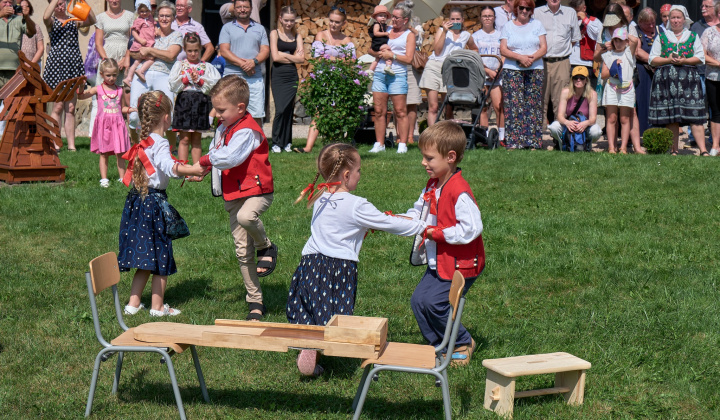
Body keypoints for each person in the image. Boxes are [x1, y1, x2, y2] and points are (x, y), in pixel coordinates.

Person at [287, 143, 427, 376]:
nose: (361, 175)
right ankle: (316, 350)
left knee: (312, 310)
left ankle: (309, 348)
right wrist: (423, 226)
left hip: (309, 264)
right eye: (359, 170)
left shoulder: (320, 196)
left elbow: (341, 225)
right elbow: (389, 223)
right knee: (334, 318)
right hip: (336, 268)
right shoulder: (356, 205)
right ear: (346, 175)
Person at [404, 121, 485, 366]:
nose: (423, 163)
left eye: (429, 158)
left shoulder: (458, 191)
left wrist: (440, 234)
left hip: (460, 264)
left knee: (435, 303)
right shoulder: (433, 184)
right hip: (439, 262)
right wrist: (392, 220)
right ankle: (438, 344)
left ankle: (462, 342)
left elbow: (472, 228)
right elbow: (418, 212)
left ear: (450, 157)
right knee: (419, 301)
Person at [198, 75, 277, 321]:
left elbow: (231, 157)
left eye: (221, 109)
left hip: (256, 191)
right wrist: (202, 171)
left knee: (246, 216)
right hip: (234, 193)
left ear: (240, 107)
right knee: (242, 251)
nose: (216, 113)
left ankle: (266, 246)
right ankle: (255, 301)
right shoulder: (223, 128)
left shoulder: (247, 131)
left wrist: (205, 161)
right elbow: (216, 154)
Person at [119, 90, 204, 317]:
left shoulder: (143, 140)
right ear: (166, 116)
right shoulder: (161, 143)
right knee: (161, 254)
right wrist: (193, 168)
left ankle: (133, 304)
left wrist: (184, 173)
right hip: (154, 204)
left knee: (144, 254)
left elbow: (162, 167)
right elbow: (168, 166)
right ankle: (157, 308)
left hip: (137, 201)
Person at [293, 6, 355, 154]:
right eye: (332, 21)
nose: (333, 24)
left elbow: (351, 62)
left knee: (338, 112)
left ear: (343, 23)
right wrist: (339, 59)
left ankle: (335, 145)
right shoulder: (321, 35)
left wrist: (330, 58)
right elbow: (317, 57)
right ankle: (308, 147)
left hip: (340, 81)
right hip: (324, 80)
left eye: (337, 22)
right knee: (319, 112)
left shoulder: (347, 39)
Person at [649, 5, 708, 156]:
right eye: (673, 17)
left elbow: (700, 57)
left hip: (689, 81)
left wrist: (685, 60)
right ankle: (674, 150)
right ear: (669, 19)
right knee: (672, 116)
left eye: (678, 17)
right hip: (666, 81)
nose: (675, 20)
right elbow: (652, 59)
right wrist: (667, 59)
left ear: (684, 19)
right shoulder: (662, 37)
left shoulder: (692, 36)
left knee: (695, 115)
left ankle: (703, 150)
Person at [43, 0, 95, 152]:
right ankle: (56, 143)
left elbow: (92, 20)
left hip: (73, 66)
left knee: (71, 107)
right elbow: (46, 17)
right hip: (57, 67)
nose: (60, 6)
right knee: (58, 106)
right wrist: (54, 1)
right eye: (57, 4)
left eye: (62, 3)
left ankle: (71, 146)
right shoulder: (51, 21)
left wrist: (83, 3)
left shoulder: (73, 20)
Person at [128, 1, 182, 135]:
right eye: (162, 15)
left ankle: (170, 149)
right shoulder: (149, 29)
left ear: (173, 18)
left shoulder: (176, 35)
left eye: (168, 16)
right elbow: (134, 52)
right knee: (134, 114)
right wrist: (144, 50)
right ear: (157, 16)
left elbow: (170, 55)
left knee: (168, 113)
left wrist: (150, 51)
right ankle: (135, 148)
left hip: (164, 74)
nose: (164, 18)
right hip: (142, 74)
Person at [77, 59, 134, 187]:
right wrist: (81, 85)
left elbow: (122, 108)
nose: (112, 78)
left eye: (114, 75)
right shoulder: (97, 89)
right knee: (104, 153)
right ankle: (104, 179)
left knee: (120, 153)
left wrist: (131, 109)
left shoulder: (120, 90)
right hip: (104, 126)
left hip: (118, 125)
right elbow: (81, 96)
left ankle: (122, 178)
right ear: (102, 74)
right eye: (108, 75)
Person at [368, 3, 415, 154]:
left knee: (400, 111)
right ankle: (379, 144)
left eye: (396, 17)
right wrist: (379, 54)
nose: (392, 19)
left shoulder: (409, 35)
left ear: (405, 19)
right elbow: (370, 48)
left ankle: (402, 144)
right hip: (380, 74)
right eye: (392, 16)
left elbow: (409, 59)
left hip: (398, 75)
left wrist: (392, 56)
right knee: (379, 111)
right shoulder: (384, 30)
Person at [500, 0, 547, 149]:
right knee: (514, 105)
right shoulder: (507, 26)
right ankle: (515, 141)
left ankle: (533, 141)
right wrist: (520, 58)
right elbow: (503, 49)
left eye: (528, 8)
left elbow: (544, 47)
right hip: (512, 70)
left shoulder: (537, 25)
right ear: (516, 9)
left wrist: (531, 59)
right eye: (522, 8)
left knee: (532, 105)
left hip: (534, 69)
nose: (525, 11)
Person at [418, 7, 477, 127]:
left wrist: (466, 59)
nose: (455, 22)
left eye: (457, 19)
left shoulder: (466, 35)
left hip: (451, 71)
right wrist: (444, 32)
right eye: (452, 19)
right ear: (448, 20)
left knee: (448, 106)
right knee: (433, 106)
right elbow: (437, 51)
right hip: (434, 67)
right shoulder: (441, 31)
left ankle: (448, 137)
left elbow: (475, 49)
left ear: (462, 20)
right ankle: (432, 137)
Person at [168, 32, 221, 164]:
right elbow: (172, 84)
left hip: (200, 102)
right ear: (185, 50)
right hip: (184, 102)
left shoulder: (206, 66)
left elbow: (215, 84)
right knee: (184, 138)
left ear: (200, 49)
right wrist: (185, 80)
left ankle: (197, 168)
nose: (193, 54)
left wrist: (201, 81)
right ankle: (183, 167)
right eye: (190, 51)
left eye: (196, 50)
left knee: (197, 138)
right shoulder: (179, 65)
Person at [218, 0, 269, 127]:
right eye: (239, 7)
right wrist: (243, 64)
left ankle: (257, 145)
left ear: (251, 9)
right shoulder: (227, 28)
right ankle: (229, 143)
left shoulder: (260, 28)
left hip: (254, 77)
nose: (242, 10)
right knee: (230, 112)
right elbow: (224, 50)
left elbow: (265, 50)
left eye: (245, 7)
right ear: (234, 9)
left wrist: (254, 61)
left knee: (256, 114)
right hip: (232, 77)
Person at [92, 0, 134, 140]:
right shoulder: (101, 17)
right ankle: (102, 135)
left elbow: (132, 40)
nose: (114, 0)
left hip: (124, 59)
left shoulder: (129, 16)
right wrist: (108, 62)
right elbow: (98, 43)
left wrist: (126, 58)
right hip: (108, 58)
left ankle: (125, 134)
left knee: (123, 97)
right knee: (105, 97)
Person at [534, 0, 581, 125]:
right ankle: (539, 135)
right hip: (540, 61)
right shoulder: (536, 13)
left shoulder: (570, 13)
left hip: (562, 61)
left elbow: (574, 39)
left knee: (561, 100)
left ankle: (559, 136)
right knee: (540, 99)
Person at [602, 27, 643, 154]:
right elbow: (603, 74)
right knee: (611, 118)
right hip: (612, 88)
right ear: (613, 41)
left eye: (621, 40)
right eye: (616, 40)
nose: (618, 43)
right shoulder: (609, 55)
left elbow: (635, 40)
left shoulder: (628, 53)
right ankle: (611, 147)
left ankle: (623, 147)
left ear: (625, 41)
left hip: (627, 88)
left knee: (625, 118)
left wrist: (624, 30)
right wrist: (614, 68)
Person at [269, 6, 304, 153]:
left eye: (292, 20)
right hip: (278, 74)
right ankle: (276, 142)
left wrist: (285, 54)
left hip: (291, 75)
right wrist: (292, 56)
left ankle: (287, 142)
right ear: (280, 19)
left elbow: (301, 59)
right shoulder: (274, 34)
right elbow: (275, 57)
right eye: (286, 20)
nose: (289, 23)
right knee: (281, 109)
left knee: (289, 109)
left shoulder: (298, 36)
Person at [473, 6, 505, 144]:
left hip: (497, 75)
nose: (487, 18)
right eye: (485, 16)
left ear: (494, 18)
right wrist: (487, 70)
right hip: (481, 74)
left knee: (499, 106)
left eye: (490, 16)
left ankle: (502, 136)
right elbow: (475, 56)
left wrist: (498, 70)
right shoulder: (475, 36)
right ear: (480, 18)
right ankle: (484, 136)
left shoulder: (500, 35)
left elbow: (504, 53)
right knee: (483, 107)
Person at [549, 66, 601, 150]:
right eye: (575, 78)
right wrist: (567, 122)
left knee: (596, 131)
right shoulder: (566, 92)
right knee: (554, 127)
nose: (578, 80)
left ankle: (587, 145)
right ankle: (562, 144)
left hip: (584, 125)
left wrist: (585, 124)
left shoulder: (592, 94)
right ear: (572, 80)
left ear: (586, 80)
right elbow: (560, 116)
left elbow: (593, 119)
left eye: (582, 78)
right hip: (569, 124)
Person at [0, 0, 36, 88]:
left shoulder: (19, 19)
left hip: (14, 70)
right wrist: (1, 14)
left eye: (10, 2)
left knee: (12, 101)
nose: (8, 5)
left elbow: (32, 32)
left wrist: (27, 17)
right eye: (5, 2)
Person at [635, 7, 659, 135]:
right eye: (647, 23)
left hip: (659, 72)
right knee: (643, 101)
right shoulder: (635, 31)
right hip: (643, 71)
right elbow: (637, 52)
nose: (651, 25)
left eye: (653, 22)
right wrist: (654, 61)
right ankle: (642, 132)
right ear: (640, 21)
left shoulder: (661, 30)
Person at [569, 0, 602, 89]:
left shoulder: (594, 21)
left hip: (587, 64)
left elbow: (598, 35)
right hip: (570, 62)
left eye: (577, 11)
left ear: (584, 8)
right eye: (573, 11)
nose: (575, 14)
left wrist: (585, 20)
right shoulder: (568, 21)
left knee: (588, 94)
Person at [702, 0, 720, 156]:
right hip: (713, 77)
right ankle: (715, 145)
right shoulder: (709, 32)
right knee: (715, 112)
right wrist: (718, 64)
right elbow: (702, 55)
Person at [123, 0, 156, 85]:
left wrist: (155, 31)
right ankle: (141, 71)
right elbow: (133, 32)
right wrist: (140, 40)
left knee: (137, 62)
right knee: (151, 59)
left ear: (149, 10)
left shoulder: (150, 18)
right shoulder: (138, 20)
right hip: (141, 44)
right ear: (138, 11)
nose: (144, 13)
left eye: (146, 11)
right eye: (142, 11)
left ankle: (129, 78)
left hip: (148, 44)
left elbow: (153, 26)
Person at [368, 5, 393, 75]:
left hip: (378, 45)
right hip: (378, 44)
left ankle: (371, 70)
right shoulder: (377, 24)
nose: (383, 17)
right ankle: (388, 66)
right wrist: (385, 33)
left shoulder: (384, 26)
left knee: (377, 59)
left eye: (385, 16)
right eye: (380, 15)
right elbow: (375, 33)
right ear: (375, 17)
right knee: (388, 49)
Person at [17, 0, 43, 67]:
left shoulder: (35, 26)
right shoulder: (13, 25)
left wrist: (30, 64)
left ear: (29, 9)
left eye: (25, 7)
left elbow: (41, 48)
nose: (23, 9)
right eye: (20, 7)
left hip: (32, 65)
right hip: (16, 66)